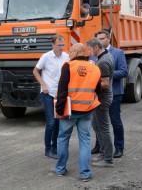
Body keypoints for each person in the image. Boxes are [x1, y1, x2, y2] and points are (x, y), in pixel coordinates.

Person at [55, 43, 101, 182]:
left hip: (69, 111)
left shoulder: (68, 66)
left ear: (75, 52)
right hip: (87, 110)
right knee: (85, 141)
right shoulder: (95, 68)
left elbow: (62, 90)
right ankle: (85, 173)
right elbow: (97, 89)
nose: (68, 54)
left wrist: (58, 110)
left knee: (63, 138)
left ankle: (60, 169)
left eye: (70, 52)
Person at [91, 30, 128, 158]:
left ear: (109, 39)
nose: (99, 41)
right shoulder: (93, 55)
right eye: (98, 39)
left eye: (102, 38)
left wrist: (107, 76)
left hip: (114, 93)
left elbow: (123, 72)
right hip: (97, 94)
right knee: (98, 122)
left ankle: (118, 147)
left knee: (115, 121)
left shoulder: (118, 53)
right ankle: (99, 145)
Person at [33, 35, 70, 159]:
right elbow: (35, 71)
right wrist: (43, 84)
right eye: (59, 45)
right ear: (53, 45)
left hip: (61, 94)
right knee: (51, 123)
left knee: (58, 122)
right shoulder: (46, 57)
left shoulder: (66, 56)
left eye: (63, 45)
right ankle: (48, 149)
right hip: (48, 93)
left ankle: (55, 147)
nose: (61, 47)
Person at [86, 38, 115, 167]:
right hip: (102, 98)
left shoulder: (103, 61)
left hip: (102, 99)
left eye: (90, 49)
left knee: (103, 129)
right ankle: (104, 155)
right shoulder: (106, 56)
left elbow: (105, 84)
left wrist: (89, 81)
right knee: (97, 126)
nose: (89, 51)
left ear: (96, 47)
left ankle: (108, 159)